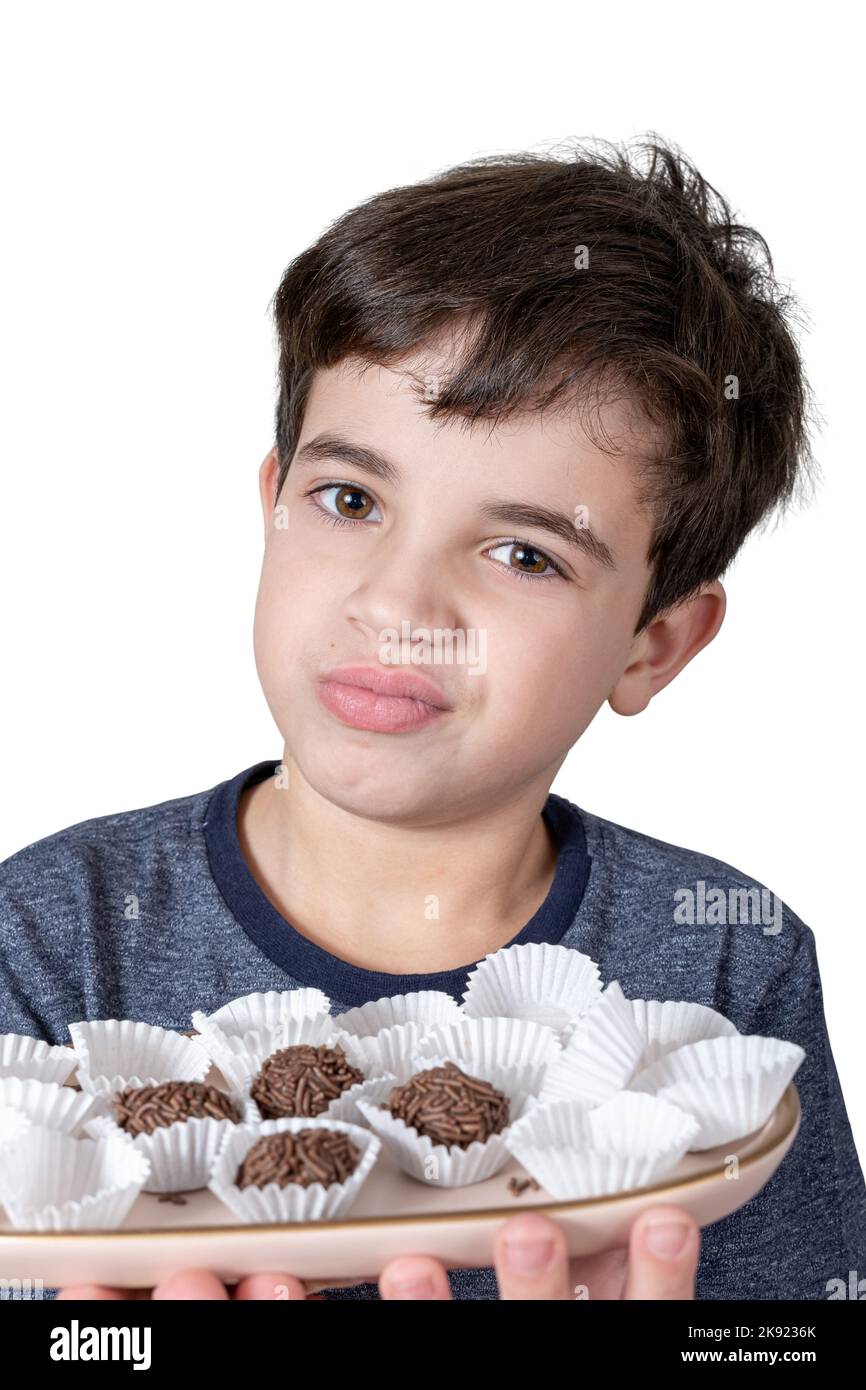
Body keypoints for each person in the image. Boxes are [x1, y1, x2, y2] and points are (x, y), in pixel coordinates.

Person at [2, 136, 864, 1301]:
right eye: (349, 498)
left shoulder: (723, 960)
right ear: (273, 503)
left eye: (523, 553)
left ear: (652, 643)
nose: (397, 605)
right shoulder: (54, 933)